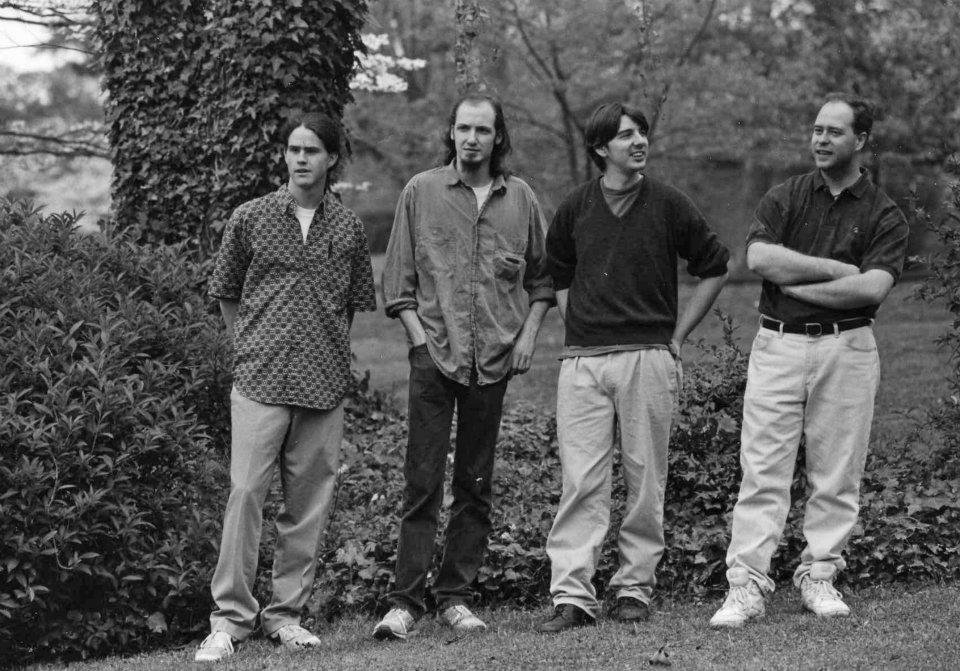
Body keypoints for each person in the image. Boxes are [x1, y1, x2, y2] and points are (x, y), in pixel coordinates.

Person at [709, 93, 909, 628]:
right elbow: (759, 258)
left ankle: (819, 575)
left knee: (837, 472)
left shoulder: (883, 212)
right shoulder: (786, 196)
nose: (820, 139)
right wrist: (837, 271)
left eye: (833, 132)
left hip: (848, 348)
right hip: (778, 346)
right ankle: (745, 585)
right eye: (817, 129)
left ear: (860, 140)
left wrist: (797, 284)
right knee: (762, 470)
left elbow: (872, 289)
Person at [540, 102, 730, 633]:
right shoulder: (576, 206)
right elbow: (558, 273)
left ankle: (633, 589)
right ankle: (573, 597)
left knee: (646, 479)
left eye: (641, 132)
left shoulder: (669, 203)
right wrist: (580, 324)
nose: (639, 141)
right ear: (602, 148)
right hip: (583, 363)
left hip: (648, 357)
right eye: (626, 135)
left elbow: (715, 266)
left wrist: (677, 336)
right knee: (581, 481)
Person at [196, 112, 377, 661]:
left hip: (323, 383)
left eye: (312, 150)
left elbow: (350, 306)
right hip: (260, 378)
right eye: (294, 149)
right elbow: (226, 292)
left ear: (331, 159)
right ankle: (229, 620)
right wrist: (251, 345)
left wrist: (323, 350)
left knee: (308, 504)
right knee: (246, 494)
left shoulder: (348, 229)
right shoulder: (250, 218)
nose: (300, 158)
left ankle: (285, 616)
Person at [375, 93, 554, 639]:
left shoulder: (520, 198)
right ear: (450, 133)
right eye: (464, 129)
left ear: (498, 138)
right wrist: (420, 344)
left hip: (492, 362)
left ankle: (455, 597)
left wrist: (527, 338)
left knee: (475, 484)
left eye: (483, 130)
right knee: (422, 482)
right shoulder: (421, 191)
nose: (472, 139)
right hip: (434, 357)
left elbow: (543, 280)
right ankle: (405, 604)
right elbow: (398, 283)